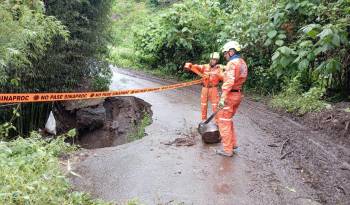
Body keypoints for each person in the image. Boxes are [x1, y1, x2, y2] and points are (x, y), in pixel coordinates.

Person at [216, 41, 248, 157]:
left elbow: (229, 81)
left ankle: (227, 150)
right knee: (228, 120)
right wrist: (224, 68)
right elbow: (236, 74)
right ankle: (233, 144)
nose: (224, 56)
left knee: (223, 121)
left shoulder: (232, 64)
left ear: (231, 51)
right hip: (238, 94)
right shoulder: (242, 62)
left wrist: (222, 98)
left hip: (230, 95)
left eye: (225, 53)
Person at [184, 52, 223, 122]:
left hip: (214, 89)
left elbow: (223, 78)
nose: (212, 61)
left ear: (217, 61)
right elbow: (197, 67)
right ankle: (203, 120)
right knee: (203, 105)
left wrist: (219, 72)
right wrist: (191, 65)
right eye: (211, 59)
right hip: (204, 88)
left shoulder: (219, 69)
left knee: (215, 106)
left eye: (214, 59)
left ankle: (217, 123)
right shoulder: (205, 66)